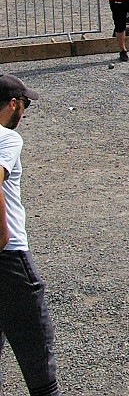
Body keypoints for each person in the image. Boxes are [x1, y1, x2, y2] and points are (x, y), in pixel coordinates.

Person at [0, 74, 62, 396]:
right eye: (25, 105)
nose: (24, 113)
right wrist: (1, 235)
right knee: (40, 365)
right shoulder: (8, 139)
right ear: (13, 104)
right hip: (9, 260)